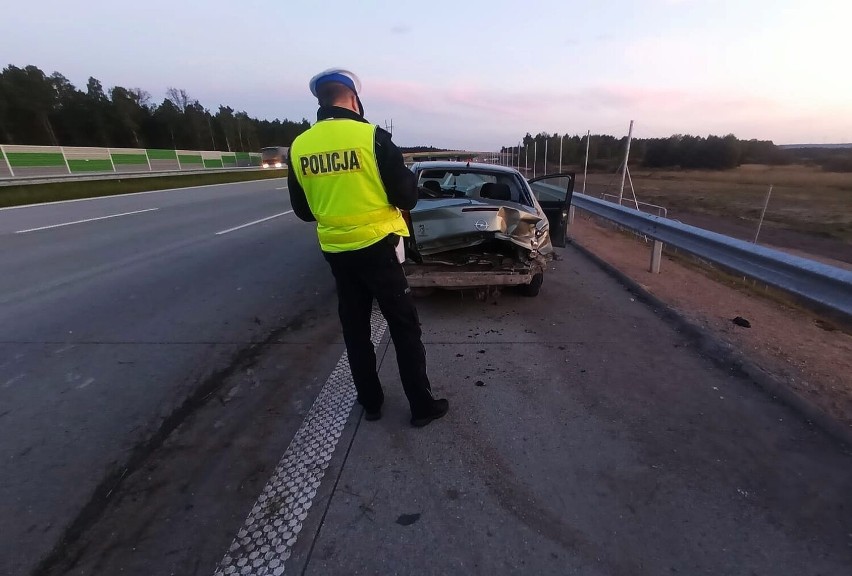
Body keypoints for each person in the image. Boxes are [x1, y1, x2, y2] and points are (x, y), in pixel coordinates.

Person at [287, 68, 449, 428]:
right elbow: (407, 196)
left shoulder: (300, 146)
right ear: (354, 99)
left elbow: (302, 211)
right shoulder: (372, 137)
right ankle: (421, 406)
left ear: (321, 101)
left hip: (337, 253)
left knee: (355, 328)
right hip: (378, 247)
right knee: (404, 326)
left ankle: (371, 403)